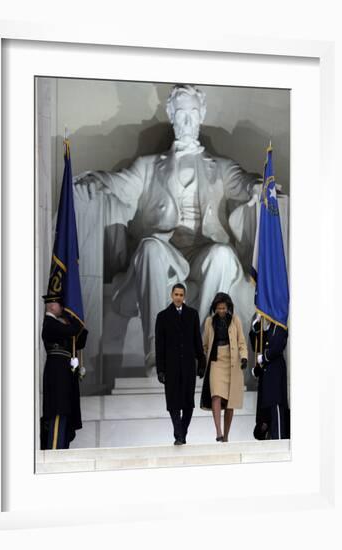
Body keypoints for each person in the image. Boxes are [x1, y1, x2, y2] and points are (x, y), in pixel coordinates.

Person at [75, 84, 261, 375]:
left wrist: (259, 186)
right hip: (166, 251)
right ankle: (157, 353)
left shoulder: (221, 167)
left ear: (201, 116)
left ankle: (199, 347)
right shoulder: (149, 166)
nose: (187, 121)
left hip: (204, 253)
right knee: (149, 247)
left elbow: (245, 181)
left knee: (224, 255)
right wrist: (97, 180)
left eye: (192, 114)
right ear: (172, 117)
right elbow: (121, 184)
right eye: (181, 114)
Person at [155, 283, 206, 445]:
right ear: (172, 295)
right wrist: (160, 370)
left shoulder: (192, 314)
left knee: (188, 403)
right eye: (176, 294)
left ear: (184, 297)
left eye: (181, 295)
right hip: (171, 367)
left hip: (188, 366)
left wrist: (202, 363)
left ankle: (182, 432)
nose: (178, 297)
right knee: (173, 402)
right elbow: (159, 346)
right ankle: (179, 434)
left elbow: (197, 340)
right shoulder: (162, 316)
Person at [40, 297, 88, 450]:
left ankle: (61, 447)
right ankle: (55, 448)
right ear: (53, 306)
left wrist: (75, 322)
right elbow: (73, 330)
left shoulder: (58, 325)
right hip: (57, 376)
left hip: (64, 377)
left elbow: (79, 340)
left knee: (65, 413)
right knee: (58, 413)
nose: (63, 309)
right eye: (62, 306)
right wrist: (74, 318)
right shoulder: (50, 324)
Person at [200, 292, 248, 442]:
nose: (221, 310)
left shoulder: (235, 320)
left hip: (231, 362)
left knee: (230, 402)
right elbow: (205, 345)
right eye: (218, 308)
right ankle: (218, 432)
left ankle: (226, 435)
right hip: (215, 361)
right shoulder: (209, 321)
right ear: (215, 308)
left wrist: (244, 357)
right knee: (216, 396)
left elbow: (241, 342)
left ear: (228, 308)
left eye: (223, 308)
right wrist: (201, 362)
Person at [249, 315, 289, 440]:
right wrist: (256, 326)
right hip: (267, 372)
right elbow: (257, 345)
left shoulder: (279, 325)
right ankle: (271, 435)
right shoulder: (269, 327)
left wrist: (264, 357)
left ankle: (279, 436)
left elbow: (276, 347)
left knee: (276, 403)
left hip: (275, 370)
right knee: (267, 406)